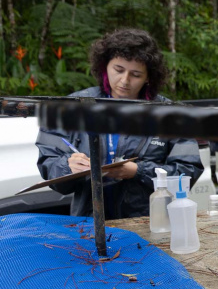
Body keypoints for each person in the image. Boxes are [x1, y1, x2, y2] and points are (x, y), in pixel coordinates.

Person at [36, 28, 203, 219]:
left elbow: (188, 172)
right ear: (105, 65)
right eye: (119, 70)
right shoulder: (72, 108)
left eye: (136, 74)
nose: (125, 80)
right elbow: (48, 165)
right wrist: (68, 166)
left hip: (150, 224)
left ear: (149, 76)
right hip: (89, 224)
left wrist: (138, 171)